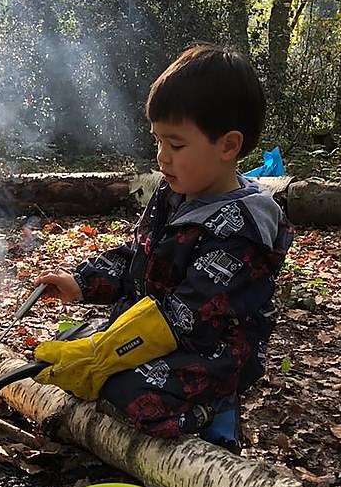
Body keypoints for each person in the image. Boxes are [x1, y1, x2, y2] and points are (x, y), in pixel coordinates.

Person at [33, 43, 293, 449]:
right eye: (157, 142)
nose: (162, 158)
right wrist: (82, 283)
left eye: (176, 145)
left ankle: (216, 408)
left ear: (228, 146)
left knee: (127, 391)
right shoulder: (175, 193)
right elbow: (138, 256)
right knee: (64, 349)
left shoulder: (244, 229)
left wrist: (105, 354)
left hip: (209, 353)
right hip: (151, 332)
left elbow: (189, 318)